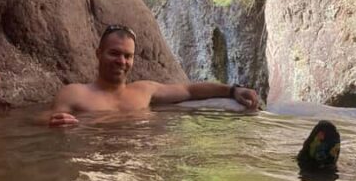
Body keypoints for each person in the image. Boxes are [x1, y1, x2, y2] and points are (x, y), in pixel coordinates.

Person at [48, 24, 260, 126]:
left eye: (127, 56)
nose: (121, 61)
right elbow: (43, 119)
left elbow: (189, 90)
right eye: (114, 53)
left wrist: (233, 90)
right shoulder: (75, 93)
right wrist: (53, 122)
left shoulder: (144, 91)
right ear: (99, 53)